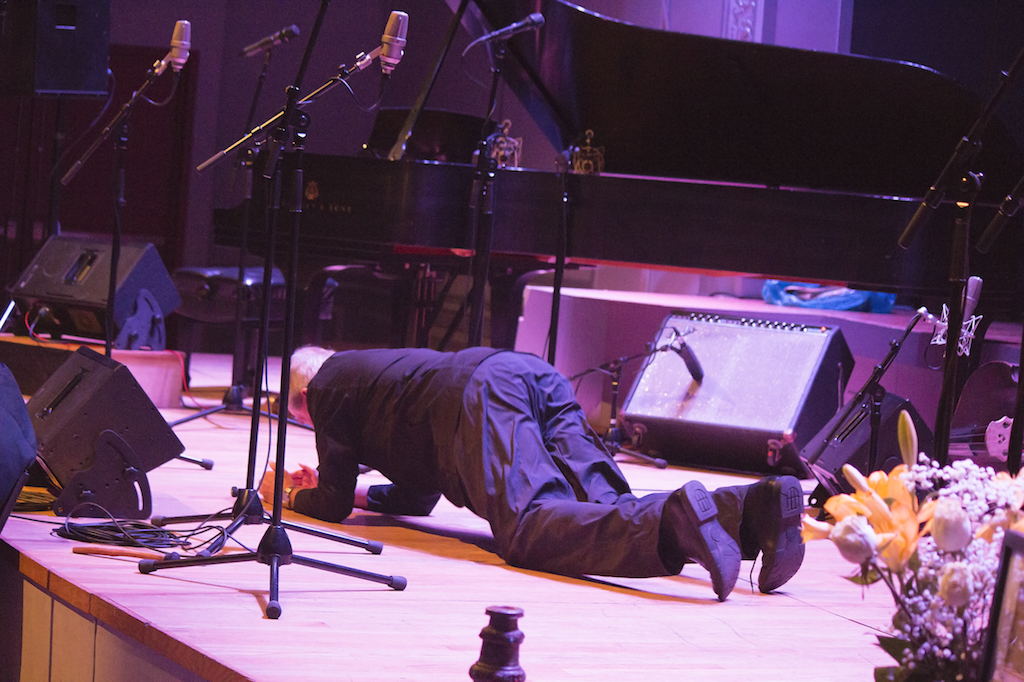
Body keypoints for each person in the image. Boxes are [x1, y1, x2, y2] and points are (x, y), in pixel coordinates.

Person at [259, 345, 805, 600]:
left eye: (298, 413)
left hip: (478, 399)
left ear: (303, 395)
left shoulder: (326, 386)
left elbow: (327, 506)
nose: (307, 422)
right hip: (525, 373)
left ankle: (672, 523)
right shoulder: (376, 375)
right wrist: (357, 492)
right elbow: (419, 497)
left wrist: (285, 500)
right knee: (601, 504)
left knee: (530, 526)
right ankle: (752, 511)